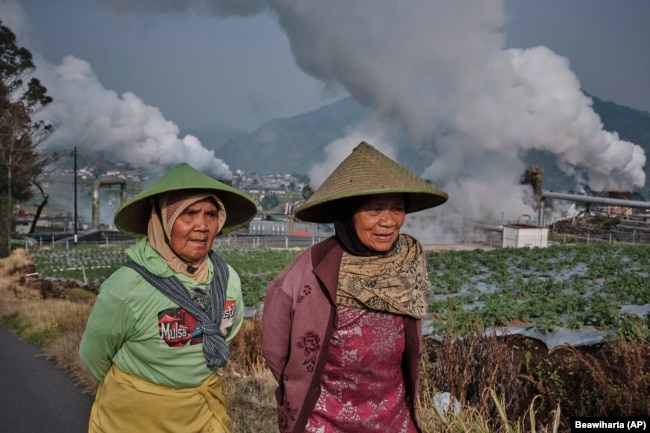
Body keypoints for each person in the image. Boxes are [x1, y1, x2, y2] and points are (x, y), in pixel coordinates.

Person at [261, 142, 449, 433]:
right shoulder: (307, 273)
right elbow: (276, 352)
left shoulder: (408, 263)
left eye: (397, 209)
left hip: (393, 418)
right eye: (374, 209)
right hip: (324, 421)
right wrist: (302, 386)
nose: (388, 221)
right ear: (348, 213)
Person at [79, 162, 257, 433]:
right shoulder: (126, 286)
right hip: (134, 420)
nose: (202, 226)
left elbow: (226, 335)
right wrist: (145, 392)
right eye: (189, 213)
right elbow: (94, 356)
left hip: (202, 414)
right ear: (163, 221)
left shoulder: (228, 279)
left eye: (210, 214)